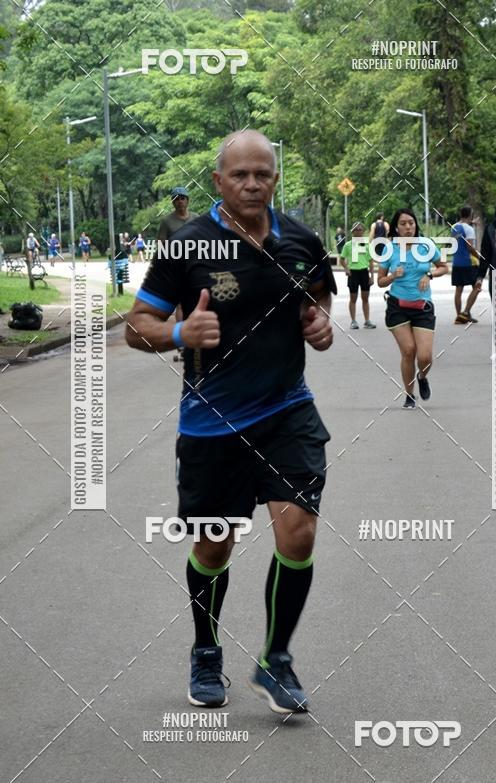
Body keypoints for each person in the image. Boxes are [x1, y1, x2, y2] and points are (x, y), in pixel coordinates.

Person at [126, 129, 336, 715]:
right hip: (213, 424)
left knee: (299, 532)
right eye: (239, 175)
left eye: (262, 174)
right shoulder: (187, 246)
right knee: (215, 544)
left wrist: (318, 321)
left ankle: (276, 660)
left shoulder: (300, 238)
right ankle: (205, 649)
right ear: (218, 181)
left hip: (288, 411)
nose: (251, 184)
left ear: (275, 178)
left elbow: (316, 295)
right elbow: (135, 323)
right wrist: (176, 333)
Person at [377, 208, 448, 409]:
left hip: (422, 306)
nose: (408, 227)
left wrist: (430, 275)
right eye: (403, 224)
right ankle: (409, 395)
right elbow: (380, 281)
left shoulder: (426, 245)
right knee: (409, 351)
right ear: (396, 228)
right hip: (397, 306)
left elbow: (444, 266)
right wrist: (393, 276)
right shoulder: (389, 249)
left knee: (424, 356)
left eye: (411, 223)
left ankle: (422, 376)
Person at [158, 187, 201, 361]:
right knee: (181, 305)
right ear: (172, 202)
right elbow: (161, 244)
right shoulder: (167, 222)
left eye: (182, 198)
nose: (180, 201)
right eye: (176, 199)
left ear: (188, 200)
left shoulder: (196, 218)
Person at [339, 222, 376, 329]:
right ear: (352, 232)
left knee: (365, 299)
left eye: (360, 229)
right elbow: (342, 259)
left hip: (364, 273)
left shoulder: (367, 245)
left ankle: (367, 321)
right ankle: (353, 321)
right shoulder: (348, 245)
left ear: (363, 231)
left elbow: (371, 261)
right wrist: (346, 269)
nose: (358, 231)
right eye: (356, 229)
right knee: (353, 298)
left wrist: (372, 276)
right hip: (353, 273)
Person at [451, 206, 482, 324]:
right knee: (477, 287)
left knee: (459, 290)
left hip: (457, 262)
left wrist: (472, 223)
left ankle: (459, 315)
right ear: (471, 214)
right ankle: (466, 312)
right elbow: (470, 247)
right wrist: (480, 257)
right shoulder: (469, 229)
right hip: (469, 262)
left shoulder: (454, 227)